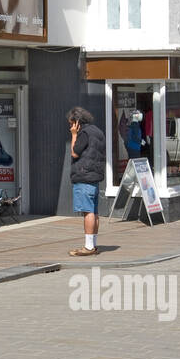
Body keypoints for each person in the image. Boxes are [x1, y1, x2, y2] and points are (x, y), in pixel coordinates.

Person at [68, 106, 105, 256]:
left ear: (77, 122)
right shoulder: (97, 131)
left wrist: (74, 134)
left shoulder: (84, 133)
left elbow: (74, 152)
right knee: (94, 212)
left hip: (84, 176)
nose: (70, 126)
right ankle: (92, 244)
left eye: (71, 123)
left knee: (87, 212)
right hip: (94, 175)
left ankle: (88, 247)